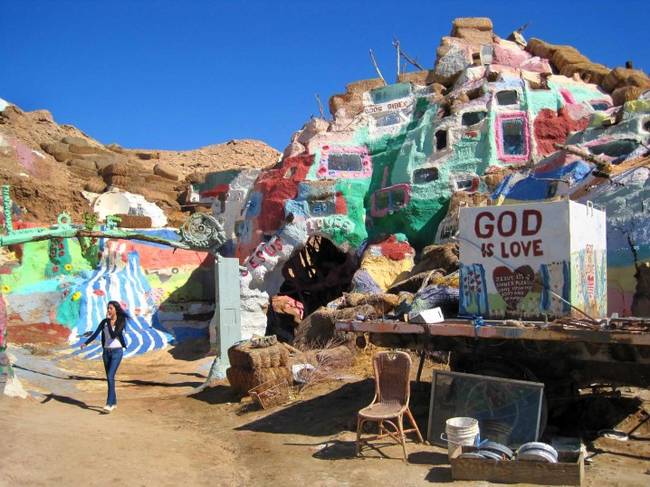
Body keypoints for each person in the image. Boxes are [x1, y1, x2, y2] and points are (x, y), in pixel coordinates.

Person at [81, 301, 128, 411]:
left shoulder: (121, 321)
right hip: (106, 353)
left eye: (110, 308)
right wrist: (86, 343)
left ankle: (108, 404)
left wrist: (109, 321)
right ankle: (114, 402)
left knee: (110, 376)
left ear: (115, 310)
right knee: (110, 378)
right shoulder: (104, 322)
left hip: (117, 352)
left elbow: (113, 335)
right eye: (107, 308)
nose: (108, 310)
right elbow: (95, 334)